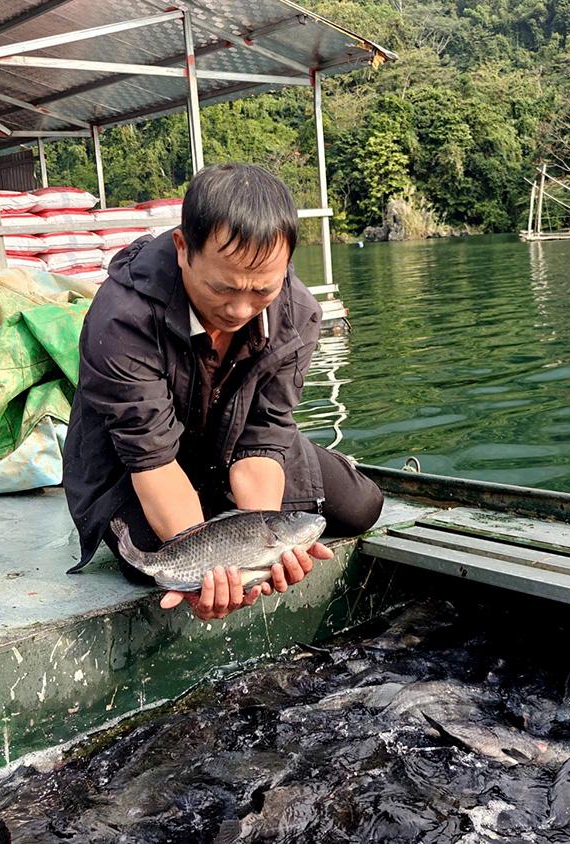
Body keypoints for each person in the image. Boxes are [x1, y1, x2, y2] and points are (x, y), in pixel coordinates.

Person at [63, 163, 384, 621]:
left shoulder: (298, 314)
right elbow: (150, 455)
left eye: (261, 291)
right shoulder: (121, 319)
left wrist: (263, 551)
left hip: (231, 443)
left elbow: (264, 436)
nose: (239, 309)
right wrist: (210, 566)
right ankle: (203, 515)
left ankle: (224, 504)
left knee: (360, 506)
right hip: (136, 460)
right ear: (181, 248)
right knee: (155, 563)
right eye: (222, 288)